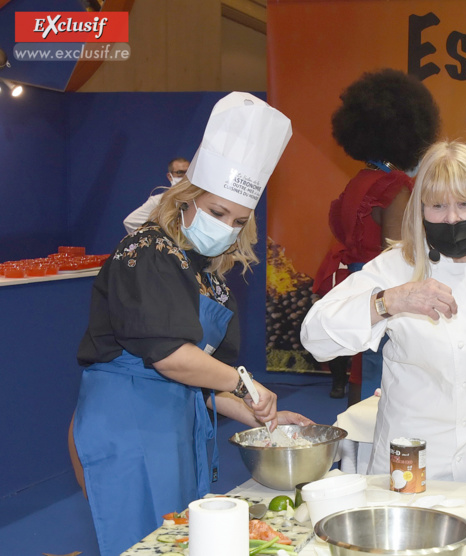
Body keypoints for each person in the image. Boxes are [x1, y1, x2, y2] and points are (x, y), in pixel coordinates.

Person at [70, 92, 312, 556]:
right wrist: (246, 385)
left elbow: (204, 378)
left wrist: (259, 418)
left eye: (238, 221)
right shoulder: (147, 252)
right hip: (129, 422)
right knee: (144, 541)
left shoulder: (204, 273)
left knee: (181, 540)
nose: (226, 227)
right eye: (217, 212)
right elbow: (170, 357)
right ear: (186, 198)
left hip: (176, 424)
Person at [302, 140, 466, 487]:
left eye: (465, 204)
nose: (452, 218)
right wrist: (390, 301)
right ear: (419, 210)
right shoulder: (397, 267)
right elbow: (315, 337)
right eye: (437, 206)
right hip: (412, 462)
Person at [312, 68, 441, 401]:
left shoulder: (358, 181)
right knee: (381, 370)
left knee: (362, 363)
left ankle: (356, 441)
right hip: (385, 289)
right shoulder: (394, 186)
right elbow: (398, 253)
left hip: (354, 286)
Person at [123, 157, 190, 234]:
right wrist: (156, 240)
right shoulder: (159, 200)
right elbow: (131, 222)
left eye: (189, 172)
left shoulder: (200, 198)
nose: (185, 177)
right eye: (180, 172)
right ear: (169, 176)